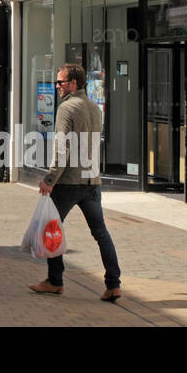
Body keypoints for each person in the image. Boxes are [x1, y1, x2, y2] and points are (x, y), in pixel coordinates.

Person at [29, 63, 122, 302]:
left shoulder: (67, 108)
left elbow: (63, 148)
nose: (56, 86)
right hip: (92, 181)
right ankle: (113, 284)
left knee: (51, 228)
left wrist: (50, 179)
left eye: (60, 82)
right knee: (101, 232)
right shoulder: (94, 108)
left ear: (73, 84)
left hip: (69, 182)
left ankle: (54, 281)